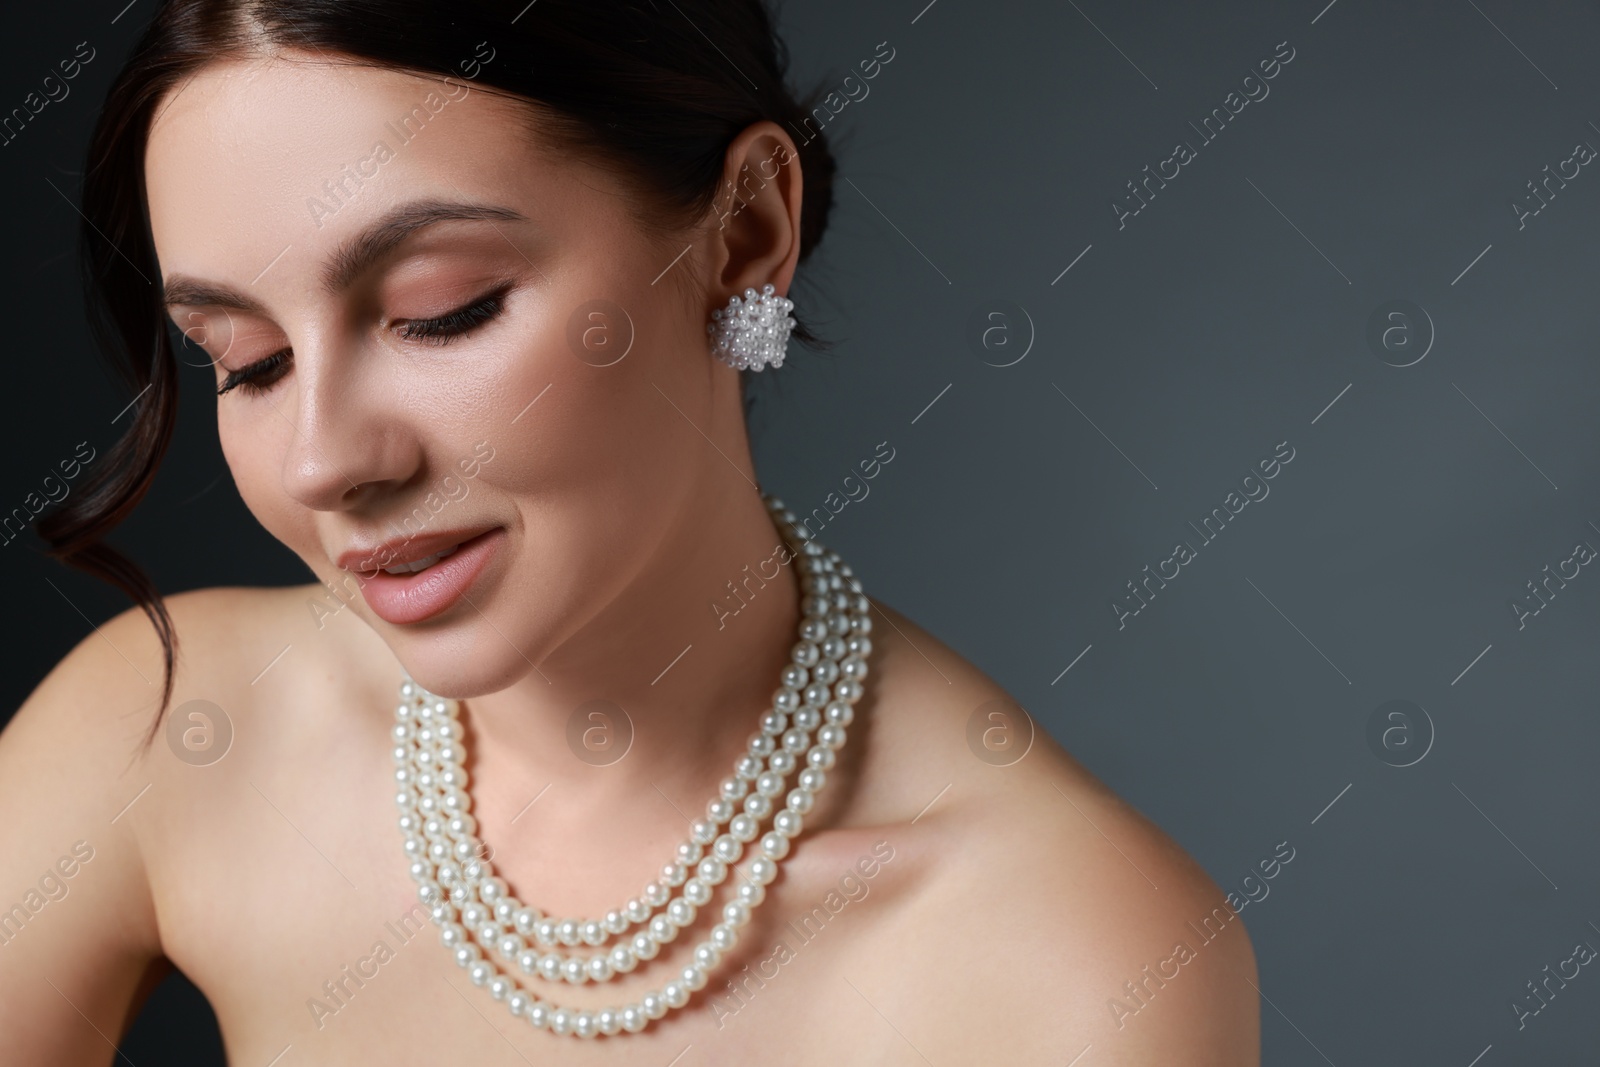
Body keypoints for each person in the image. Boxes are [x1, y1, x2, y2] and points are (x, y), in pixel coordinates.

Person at [0, 1, 1259, 1061]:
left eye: (443, 311)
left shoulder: (1067, 957)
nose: (327, 461)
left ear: (745, 230)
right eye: (248, 361)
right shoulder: (173, 730)